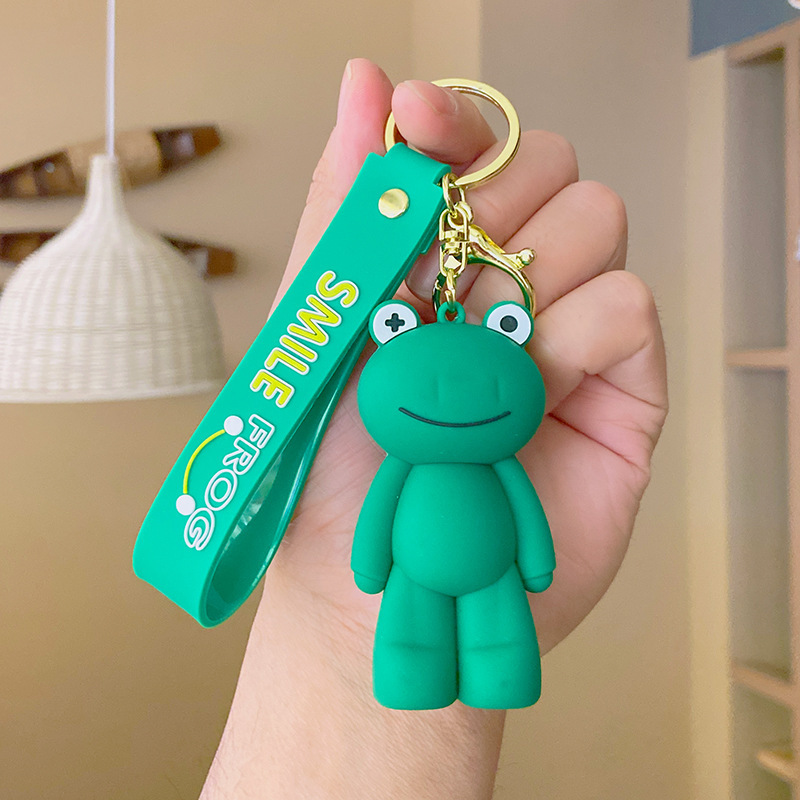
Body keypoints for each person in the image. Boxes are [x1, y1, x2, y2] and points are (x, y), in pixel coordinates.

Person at [199, 58, 668, 799]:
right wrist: (346, 618)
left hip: (482, 577)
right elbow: (385, 514)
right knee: (414, 638)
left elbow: (503, 510)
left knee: (495, 640)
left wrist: (527, 565)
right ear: (389, 332)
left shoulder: (481, 460)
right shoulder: (421, 460)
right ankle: (414, 670)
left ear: (510, 332)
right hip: (429, 579)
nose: (451, 398)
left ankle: (480, 666)